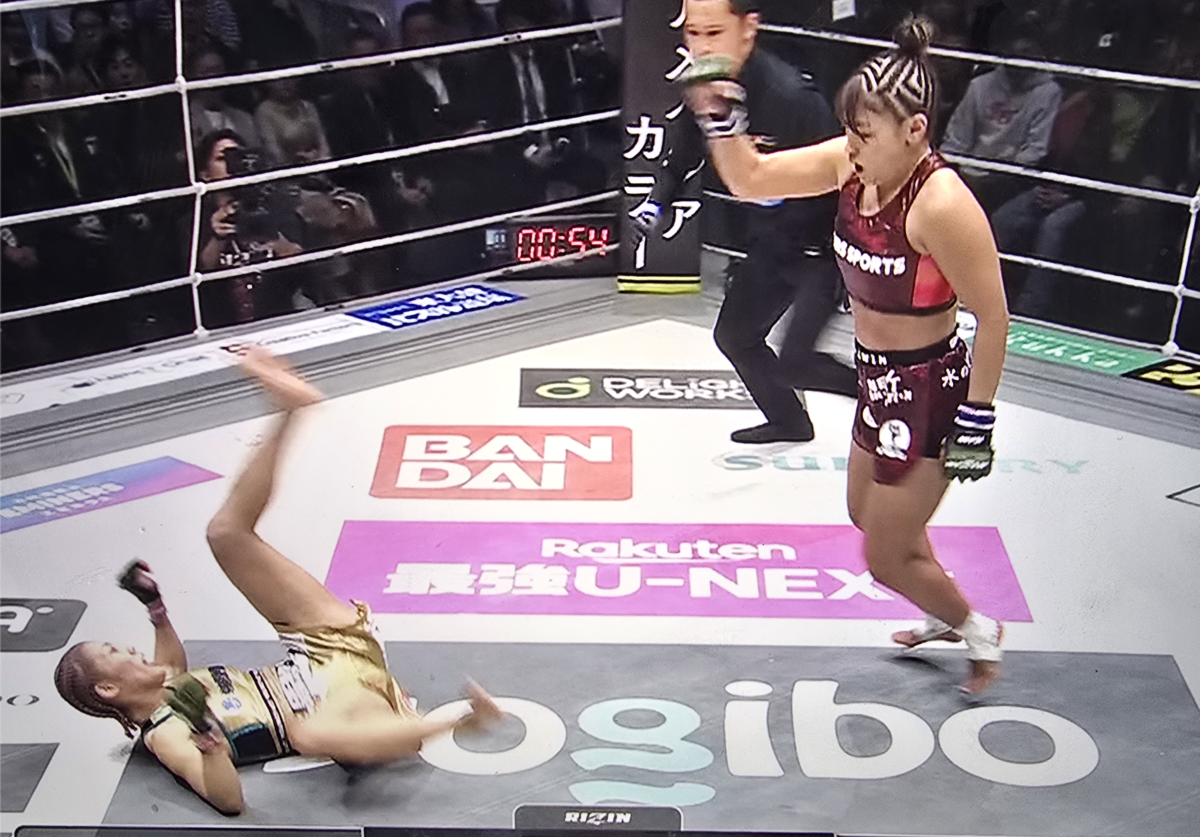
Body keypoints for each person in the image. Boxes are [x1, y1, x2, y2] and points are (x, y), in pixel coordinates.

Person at [683, 15, 1009, 693]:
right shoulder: (850, 163)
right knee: (871, 516)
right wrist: (721, 119)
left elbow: (994, 315)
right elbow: (751, 178)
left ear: (914, 130)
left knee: (883, 554)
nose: (852, 148)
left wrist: (977, 419)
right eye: (850, 132)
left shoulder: (943, 205)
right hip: (877, 378)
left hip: (934, 390)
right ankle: (939, 605)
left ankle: (979, 630)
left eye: (866, 135)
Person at [53, 347, 503, 815]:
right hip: (339, 705)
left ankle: (288, 409)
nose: (128, 649)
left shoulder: (169, 685)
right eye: (114, 653)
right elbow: (229, 801)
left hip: (321, 645)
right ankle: (458, 725)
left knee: (225, 534)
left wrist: (156, 609)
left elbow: (170, 666)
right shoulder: (168, 733)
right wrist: (206, 738)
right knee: (312, 735)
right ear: (108, 690)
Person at [633, 0, 857, 445]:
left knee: (797, 361)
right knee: (735, 336)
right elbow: (684, 151)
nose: (701, 46)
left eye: (714, 33)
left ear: (747, 29)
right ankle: (789, 420)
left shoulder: (790, 96)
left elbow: (843, 175)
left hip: (825, 246)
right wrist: (655, 203)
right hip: (775, 240)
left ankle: (894, 401)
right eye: (693, 33)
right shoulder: (703, 86)